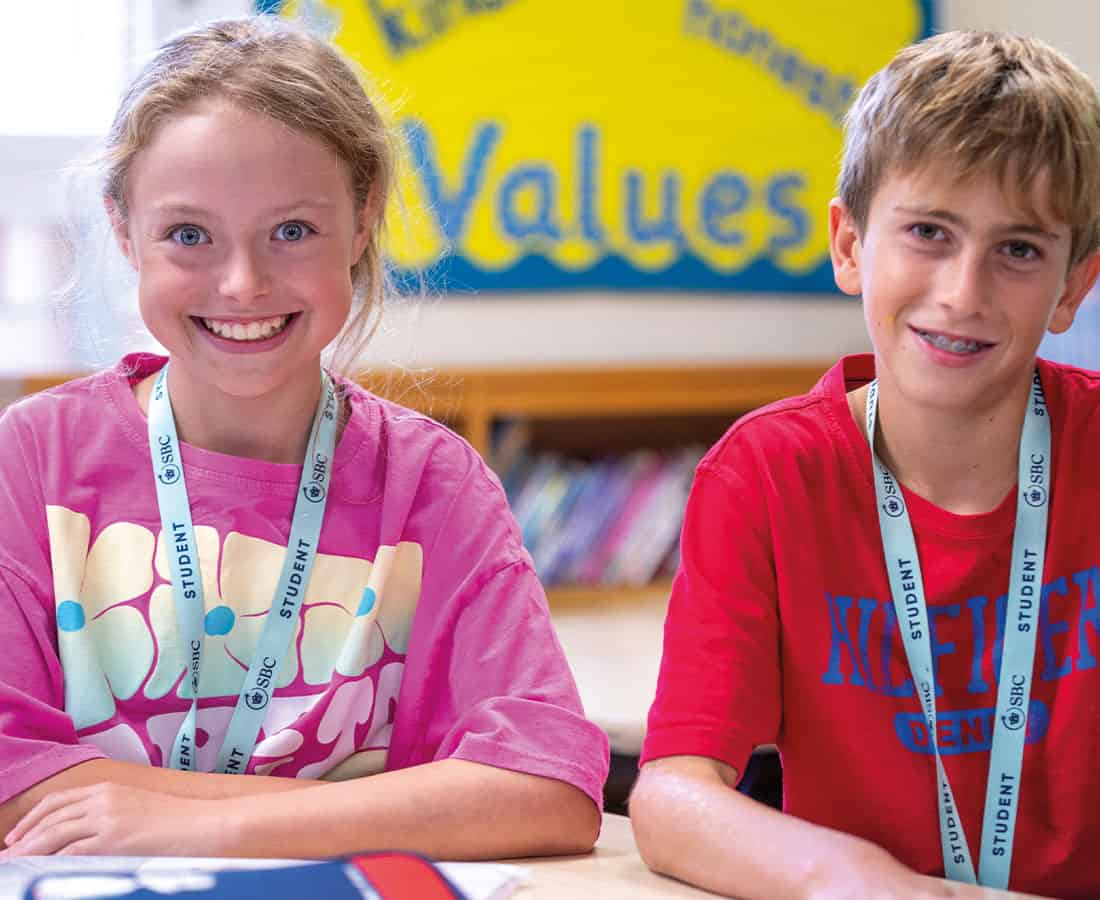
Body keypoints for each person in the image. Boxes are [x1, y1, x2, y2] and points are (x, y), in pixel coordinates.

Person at [0, 15, 608, 860]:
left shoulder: (433, 484)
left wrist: (205, 823)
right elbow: (11, 780)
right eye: (189, 235)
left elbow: (548, 788)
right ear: (122, 230)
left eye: (292, 231)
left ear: (362, 222)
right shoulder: (32, 460)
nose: (243, 283)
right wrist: (394, 809)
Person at [630, 30, 1100, 900]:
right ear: (849, 246)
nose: (963, 292)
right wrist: (844, 875)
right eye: (929, 231)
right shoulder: (765, 475)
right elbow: (669, 796)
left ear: (1074, 284)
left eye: (1020, 250)